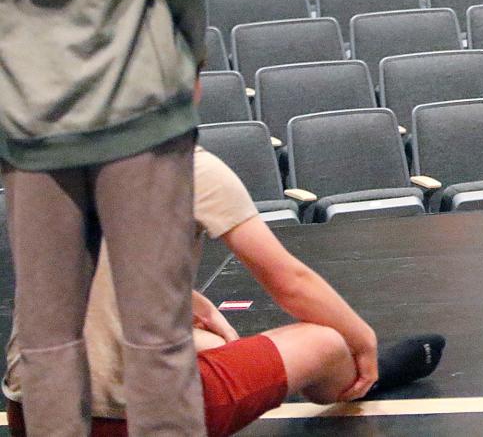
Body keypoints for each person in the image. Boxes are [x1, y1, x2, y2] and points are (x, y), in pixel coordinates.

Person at [0, 0, 209, 433]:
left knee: (46, 341)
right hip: (143, 111)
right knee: (159, 337)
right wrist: (192, 56)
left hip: (28, 114)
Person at [4, 146, 446, 437]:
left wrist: (184, 297)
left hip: (30, 412)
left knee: (212, 340)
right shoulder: (188, 166)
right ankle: (355, 381)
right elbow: (291, 283)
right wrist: (362, 340)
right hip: (136, 421)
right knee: (325, 341)